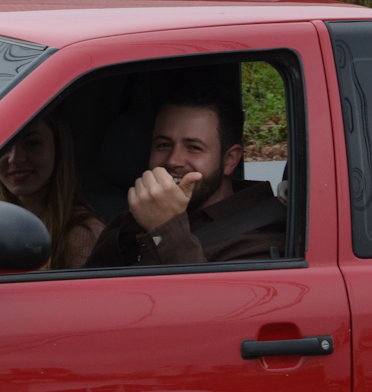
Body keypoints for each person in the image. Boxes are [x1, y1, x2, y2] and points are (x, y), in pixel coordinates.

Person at [84, 92, 286, 268]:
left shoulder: (260, 239)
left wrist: (164, 228)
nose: (173, 160)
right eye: (164, 145)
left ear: (230, 159)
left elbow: (204, 300)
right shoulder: (130, 220)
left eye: (194, 148)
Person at [0, 114, 105, 269]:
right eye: (3, 145)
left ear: (58, 148)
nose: (15, 159)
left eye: (31, 143)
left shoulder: (83, 234)